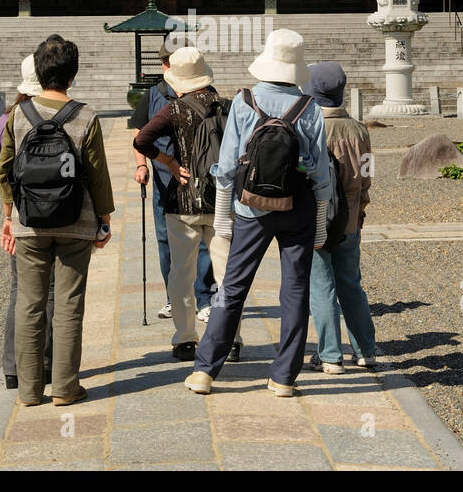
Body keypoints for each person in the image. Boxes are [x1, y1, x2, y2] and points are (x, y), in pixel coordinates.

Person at [184, 29, 331, 398]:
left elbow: (228, 163)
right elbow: (321, 172)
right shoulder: (310, 108)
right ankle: (283, 377)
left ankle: (205, 372)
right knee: (295, 291)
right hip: (298, 207)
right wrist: (321, 221)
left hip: (250, 208)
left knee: (233, 287)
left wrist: (222, 217)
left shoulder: (244, 101)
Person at [0, 35, 114, 407]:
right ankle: (65, 387)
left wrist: (8, 215)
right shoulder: (86, 116)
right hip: (75, 222)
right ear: (72, 74)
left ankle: (30, 391)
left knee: (30, 303)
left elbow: (4, 170)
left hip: (28, 222)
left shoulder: (19, 115)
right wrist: (104, 218)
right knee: (68, 303)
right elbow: (96, 175)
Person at [131, 47, 242, 363]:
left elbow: (141, 141)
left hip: (182, 201)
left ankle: (184, 340)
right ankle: (231, 339)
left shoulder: (173, 110)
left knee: (181, 272)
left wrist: (168, 161)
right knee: (227, 273)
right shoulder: (230, 106)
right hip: (222, 200)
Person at [303, 61, 382, 373]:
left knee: (322, 286)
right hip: (350, 218)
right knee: (351, 285)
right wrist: (361, 209)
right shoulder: (359, 129)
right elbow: (367, 176)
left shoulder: (311, 127)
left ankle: (330, 354)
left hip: (318, 218)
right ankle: (365, 350)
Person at [128, 40, 215, 320]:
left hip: (199, 180)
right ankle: (172, 297)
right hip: (165, 180)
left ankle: (204, 298)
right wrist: (143, 164)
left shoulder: (208, 95)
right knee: (165, 240)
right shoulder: (154, 94)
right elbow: (140, 134)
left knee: (203, 240)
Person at [0, 55, 54, 392]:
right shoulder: (64, 114)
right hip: (61, 215)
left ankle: (14, 369)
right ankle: (47, 366)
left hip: (20, 213)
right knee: (54, 292)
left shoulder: (8, 118)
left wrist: (6, 217)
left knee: (21, 291)